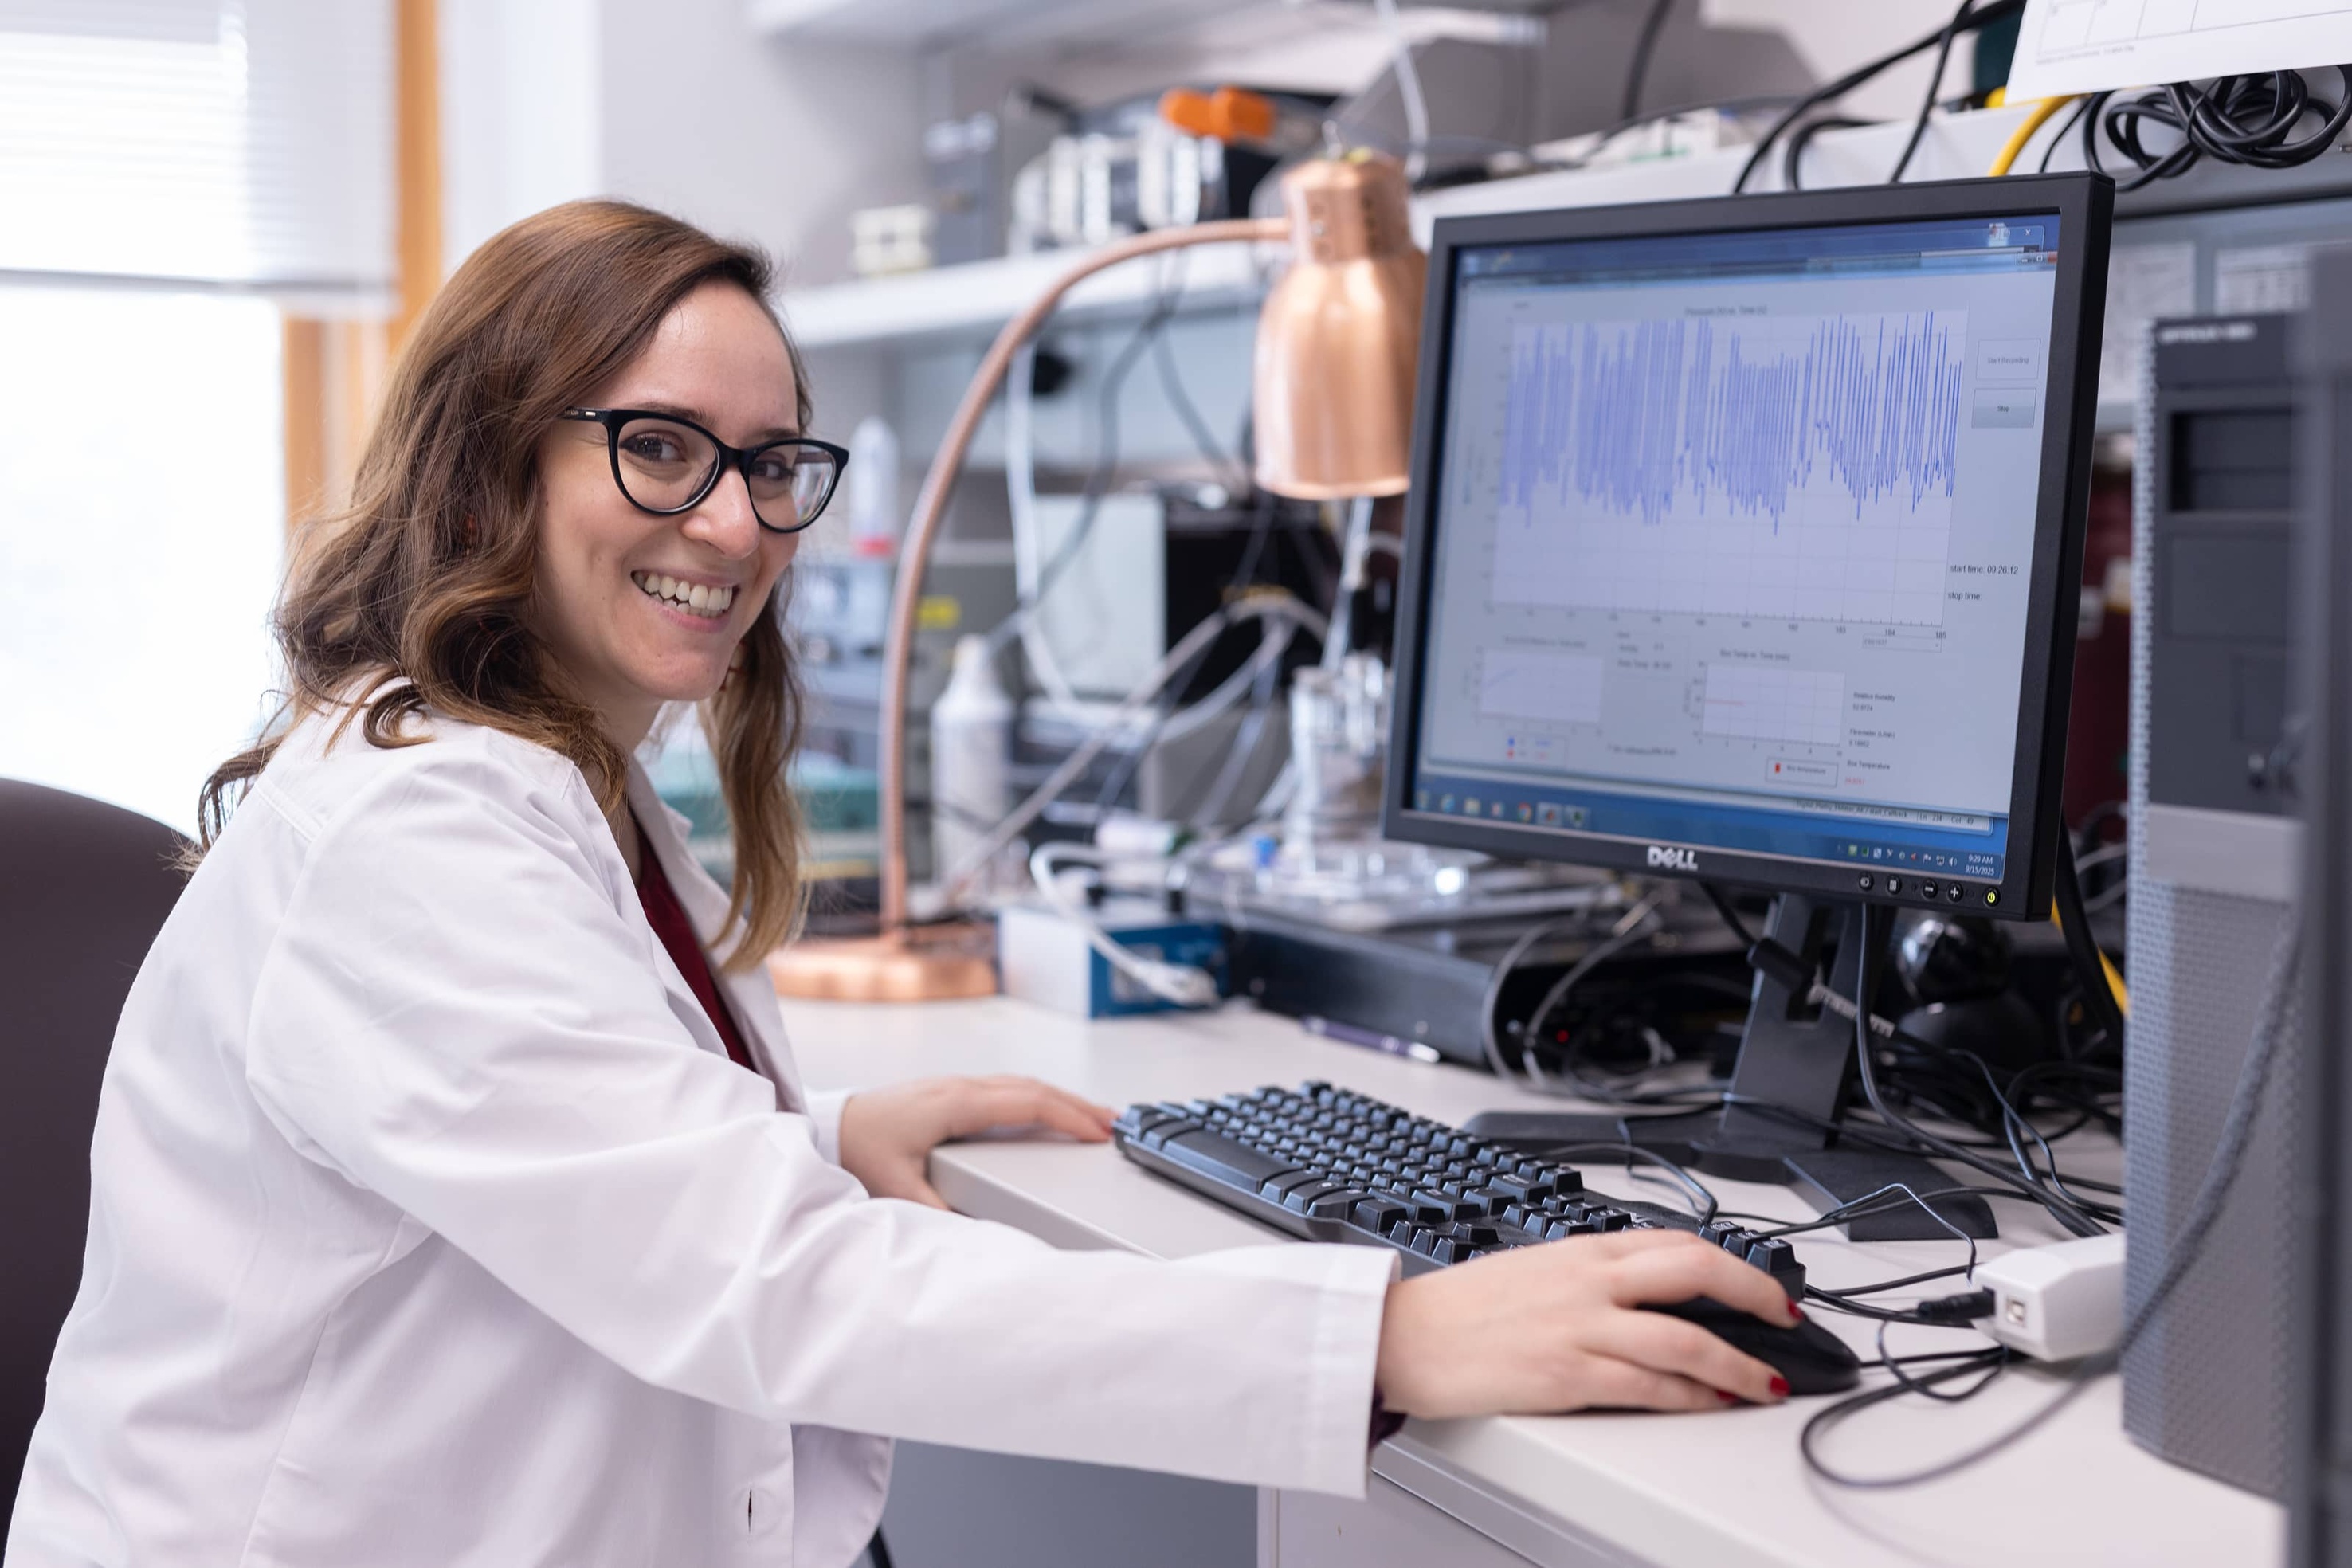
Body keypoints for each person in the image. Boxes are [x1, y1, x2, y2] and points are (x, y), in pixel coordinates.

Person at [6, 201, 1800, 1568]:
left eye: (773, 463)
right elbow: (768, 1287)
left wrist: (809, 1131)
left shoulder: (539, 778)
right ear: (491, 459)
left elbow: (570, 1156)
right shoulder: (410, 837)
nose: (735, 523)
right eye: (661, 449)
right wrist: (1399, 1327)